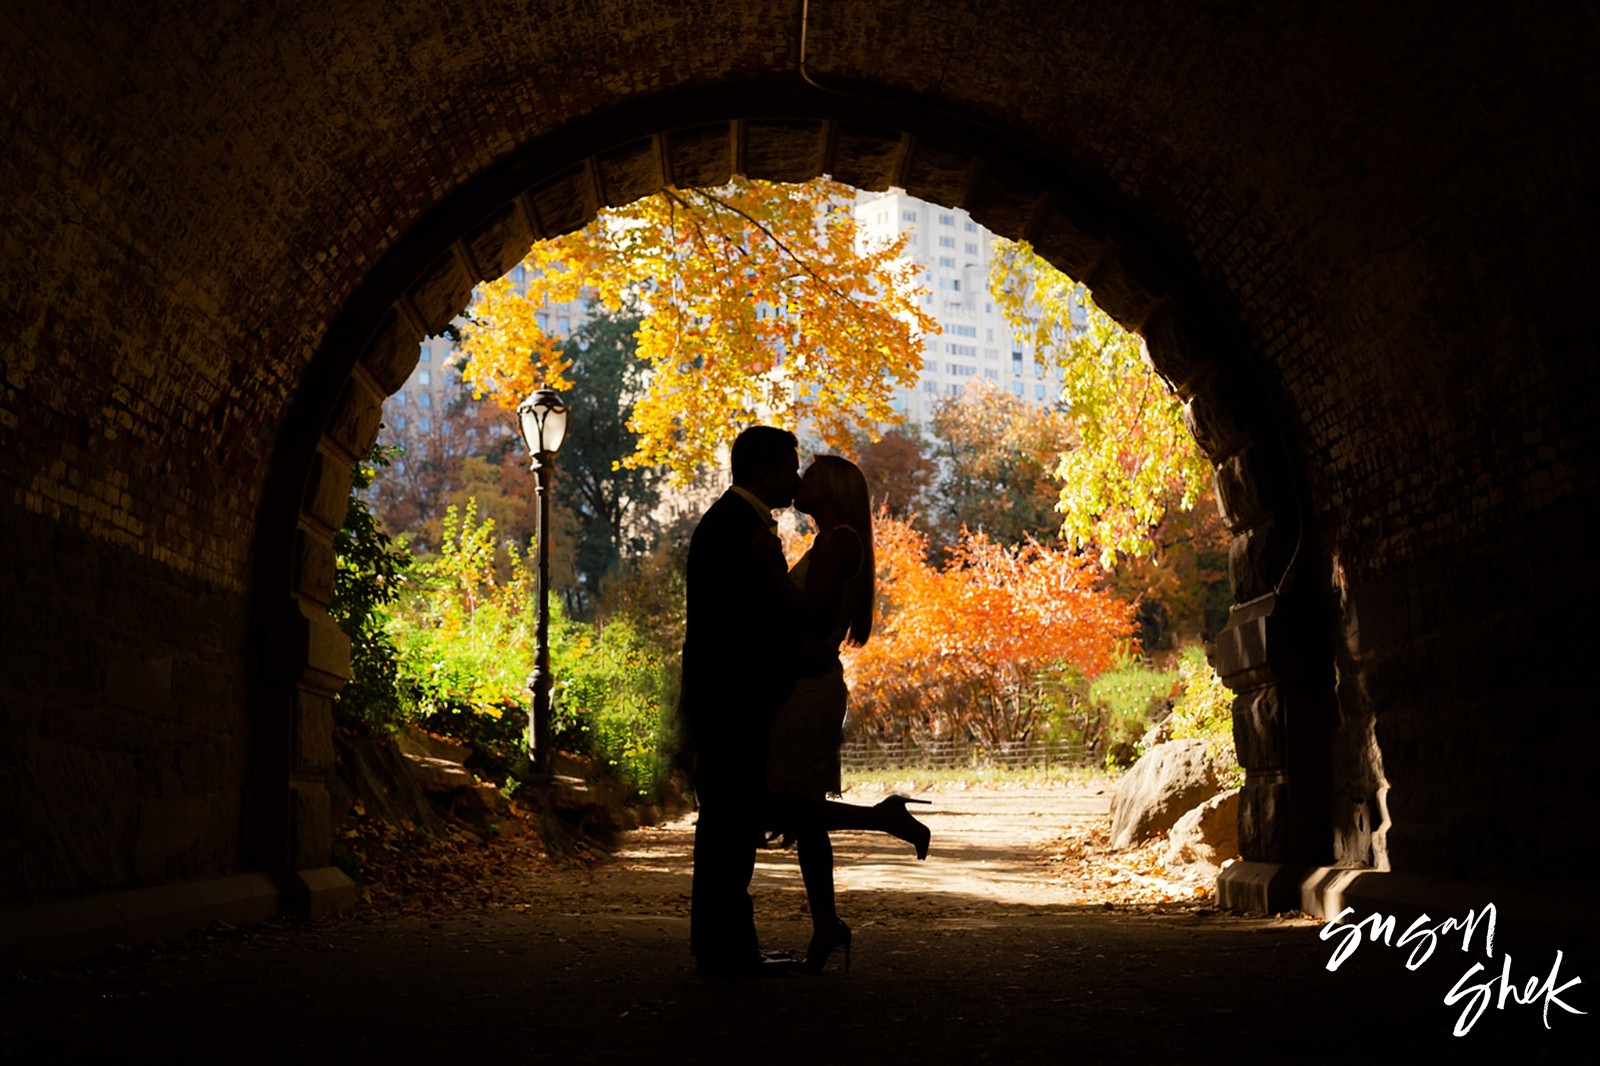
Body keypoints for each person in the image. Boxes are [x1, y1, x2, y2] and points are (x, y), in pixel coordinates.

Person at [764, 455, 932, 975]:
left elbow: (812, 618)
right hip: (810, 682)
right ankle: (826, 926)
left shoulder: (838, 542)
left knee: (781, 806)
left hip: (805, 688)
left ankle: (883, 817)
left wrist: (768, 578)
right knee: (804, 816)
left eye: (811, 475)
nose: (800, 481)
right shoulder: (839, 541)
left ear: (832, 488)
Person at [679, 426, 805, 978]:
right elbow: (751, 623)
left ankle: (726, 948)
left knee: (727, 826)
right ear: (765, 472)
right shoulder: (738, 528)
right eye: (789, 467)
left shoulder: (729, 522)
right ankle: (727, 953)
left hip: (720, 699)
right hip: (733, 701)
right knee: (728, 829)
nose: (795, 478)